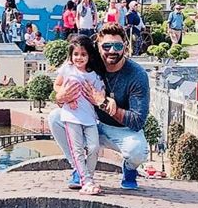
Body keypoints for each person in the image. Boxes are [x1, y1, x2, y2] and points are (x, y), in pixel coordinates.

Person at [50, 21, 150, 191]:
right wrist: (60, 96)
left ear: (125, 46)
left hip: (121, 129)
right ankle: (80, 169)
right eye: (106, 46)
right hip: (91, 121)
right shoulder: (89, 64)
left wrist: (104, 103)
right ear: (98, 46)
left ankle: (130, 169)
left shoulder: (137, 75)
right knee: (55, 118)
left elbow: (138, 121)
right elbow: (61, 83)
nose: (112, 51)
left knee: (138, 151)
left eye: (117, 45)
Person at [53, 34, 106, 195]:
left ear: (89, 56)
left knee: (94, 147)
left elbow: (100, 94)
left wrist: (99, 98)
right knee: (76, 149)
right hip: (72, 116)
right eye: (76, 54)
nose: (79, 58)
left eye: (83, 54)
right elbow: (57, 84)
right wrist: (64, 96)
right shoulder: (67, 69)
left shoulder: (94, 74)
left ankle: (87, 177)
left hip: (89, 117)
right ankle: (86, 181)